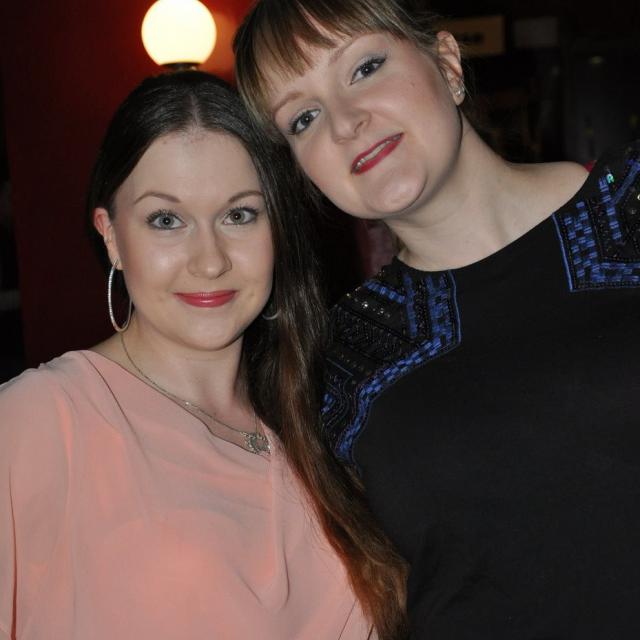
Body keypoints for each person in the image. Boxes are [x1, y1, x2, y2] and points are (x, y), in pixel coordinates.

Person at [233, 2, 640, 638]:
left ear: (447, 63)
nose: (344, 123)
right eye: (303, 118)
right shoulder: (337, 359)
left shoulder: (630, 213)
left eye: (364, 68)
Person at [0, 71, 408, 640]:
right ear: (111, 235)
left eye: (239, 214)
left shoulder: (324, 417)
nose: (210, 260)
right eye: (166, 221)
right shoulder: (39, 421)